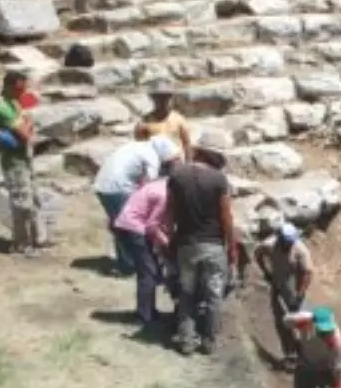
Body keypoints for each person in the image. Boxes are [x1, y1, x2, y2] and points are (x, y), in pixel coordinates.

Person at [164, 146, 236, 356]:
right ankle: (209, 342)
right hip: (213, 245)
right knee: (214, 295)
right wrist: (231, 247)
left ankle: (186, 341)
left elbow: (168, 213)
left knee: (187, 293)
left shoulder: (176, 176)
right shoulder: (219, 180)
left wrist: (170, 240)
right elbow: (226, 217)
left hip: (186, 245)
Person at [93, 136, 176, 274]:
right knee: (129, 226)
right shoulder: (152, 156)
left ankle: (129, 262)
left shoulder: (137, 146)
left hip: (103, 185)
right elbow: (151, 184)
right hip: (118, 188)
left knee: (120, 223)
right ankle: (130, 264)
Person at [113, 173, 175, 328]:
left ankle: (149, 310)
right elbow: (152, 226)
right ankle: (144, 316)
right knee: (148, 273)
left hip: (128, 224)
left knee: (151, 271)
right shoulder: (164, 195)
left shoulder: (161, 184)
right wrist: (168, 244)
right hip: (133, 228)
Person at [0, 71, 40, 255]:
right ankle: (21, 243)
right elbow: (26, 134)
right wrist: (26, 125)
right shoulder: (1, 107)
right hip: (14, 162)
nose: (23, 93)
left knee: (33, 199)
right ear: (9, 86)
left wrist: (25, 125)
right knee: (22, 203)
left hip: (24, 157)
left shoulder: (15, 101)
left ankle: (35, 239)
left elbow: (27, 127)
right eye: (20, 89)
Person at [255, 223, 313, 364]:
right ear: (279, 238)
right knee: (281, 320)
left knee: (302, 320)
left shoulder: (300, 250)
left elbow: (308, 273)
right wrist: (266, 272)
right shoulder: (269, 245)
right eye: (284, 243)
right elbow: (258, 254)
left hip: (295, 285)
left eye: (289, 243)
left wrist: (299, 295)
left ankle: (308, 353)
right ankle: (290, 353)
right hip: (278, 284)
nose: (287, 246)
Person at [135, 80, 192, 162]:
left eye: (165, 97)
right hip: (155, 165)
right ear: (153, 98)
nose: (162, 101)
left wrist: (188, 165)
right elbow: (139, 149)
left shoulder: (179, 120)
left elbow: (187, 144)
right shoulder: (143, 124)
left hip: (177, 163)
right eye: (158, 97)